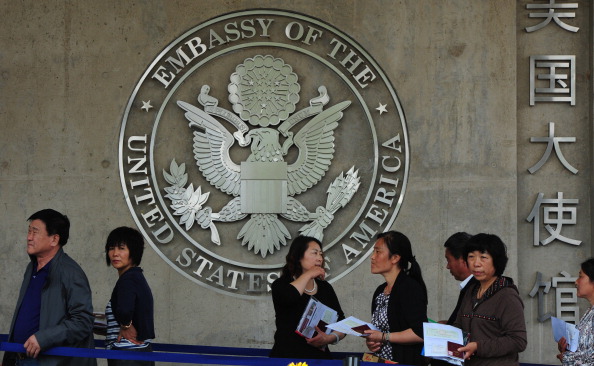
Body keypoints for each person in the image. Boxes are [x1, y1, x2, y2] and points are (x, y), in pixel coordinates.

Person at [2, 209, 96, 366]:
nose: (29, 237)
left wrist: (44, 338)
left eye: (35, 232)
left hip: (48, 361)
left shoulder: (71, 272)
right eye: (29, 231)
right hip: (20, 358)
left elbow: (83, 321)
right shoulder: (31, 268)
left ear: (54, 239)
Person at [454, 233, 527, 366]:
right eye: (471, 257)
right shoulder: (470, 291)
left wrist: (478, 347)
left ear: (496, 261)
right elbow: (458, 326)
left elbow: (518, 340)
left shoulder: (507, 296)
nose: (476, 263)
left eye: (483, 257)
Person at [270, 235, 346, 359]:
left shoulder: (325, 287)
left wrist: (329, 338)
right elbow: (290, 297)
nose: (319, 258)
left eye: (321, 254)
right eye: (314, 253)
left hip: (319, 358)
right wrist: (309, 274)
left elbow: (341, 321)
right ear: (299, 256)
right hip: (287, 357)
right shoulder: (281, 285)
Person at [363, 231, 428, 366]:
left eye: (378, 252)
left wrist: (384, 337)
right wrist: (373, 342)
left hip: (404, 361)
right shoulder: (380, 291)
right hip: (380, 361)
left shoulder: (409, 288)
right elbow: (380, 331)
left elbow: (420, 333)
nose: (372, 257)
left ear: (395, 258)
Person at [103, 227, 155, 366]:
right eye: (111, 248)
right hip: (139, 352)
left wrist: (126, 325)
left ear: (134, 252)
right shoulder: (136, 277)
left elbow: (125, 310)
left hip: (127, 353)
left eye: (121, 248)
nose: (115, 254)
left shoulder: (129, 279)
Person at [556, 258, 594, 365]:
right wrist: (567, 349)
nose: (576, 282)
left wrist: (567, 358)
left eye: (581, 276)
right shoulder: (589, 312)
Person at [443, 232, 476, 325]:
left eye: (448, 260)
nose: (447, 266)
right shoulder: (470, 287)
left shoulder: (477, 289)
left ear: (463, 260)